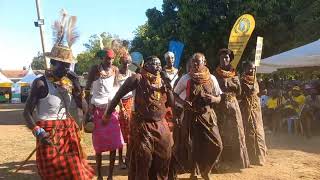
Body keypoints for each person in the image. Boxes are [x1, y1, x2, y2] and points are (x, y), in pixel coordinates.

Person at [23, 36, 94, 178]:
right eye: (63, 65)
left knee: (76, 174)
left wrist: (76, 85)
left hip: (69, 134)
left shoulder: (69, 83)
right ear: (53, 62)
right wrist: (39, 132)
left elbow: (84, 107)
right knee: (52, 175)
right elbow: (26, 113)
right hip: (48, 134)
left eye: (69, 65)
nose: (66, 69)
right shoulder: (40, 83)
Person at [105, 56, 174, 180]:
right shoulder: (136, 78)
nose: (158, 67)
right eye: (154, 64)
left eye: (159, 65)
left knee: (164, 157)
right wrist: (107, 114)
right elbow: (118, 96)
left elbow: (171, 104)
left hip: (160, 124)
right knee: (143, 159)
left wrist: (169, 88)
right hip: (142, 126)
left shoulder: (163, 81)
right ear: (146, 65)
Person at [172, 53, 223, 180]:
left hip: (208, 116)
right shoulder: (186, 78)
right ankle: (193, 172)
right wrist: (184, 103)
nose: (194, 64)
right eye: (193, 61)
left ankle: (207, 170)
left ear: (204, 63)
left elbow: (219, 97)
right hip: (191, 116)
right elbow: (174, 94)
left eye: (197, 62)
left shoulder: (212, 78)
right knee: (194, 145)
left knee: (218, 145)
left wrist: (213, 99)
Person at [85, 48, 124, 180]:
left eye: (112, 59)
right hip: (97, 111)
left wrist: (120, 106)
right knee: (99, 146)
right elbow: (87, 89)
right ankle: (100, 176)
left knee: (114, 144)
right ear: (102, 58)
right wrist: (87, 109)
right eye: (107, 58)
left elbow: (117, 90)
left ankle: (110, 176)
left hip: (112, 111)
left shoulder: (116, 70)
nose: (110, 61)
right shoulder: (94, 70)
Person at [214, 48, 250, 169]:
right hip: (220, 106)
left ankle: (237, 160)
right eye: (222, 58)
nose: (224, 59)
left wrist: (230, 84)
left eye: (227, 58)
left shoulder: (235, 73)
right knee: (221, 132)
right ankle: (222, 160)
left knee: (236, 132)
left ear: (230, 59)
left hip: (233, 105)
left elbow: (239, 91)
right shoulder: (215, 74)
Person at [240, 62, 267, 166]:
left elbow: (258, 93)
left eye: (253, 69)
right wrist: (247, 93)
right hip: (247, 110)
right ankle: (251, 158)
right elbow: (239, 94)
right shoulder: (241, 81)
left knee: (259, 131)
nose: (252, 71)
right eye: (249, 68)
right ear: (245, 69)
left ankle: (261, 157)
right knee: (250, 132)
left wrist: (259, 92)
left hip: (257, 110)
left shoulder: (256, 80)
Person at [116, 53, 135, 169]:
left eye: (129, 62)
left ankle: (128, 158)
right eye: (125, 62)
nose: (127, 65)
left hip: (131, 103)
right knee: (120, 133)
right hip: (119, 103)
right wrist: (122, 107)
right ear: (120, 63)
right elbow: (116, 92)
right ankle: (120, 160)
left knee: (130, 133)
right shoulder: (116, 75)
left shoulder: (132, 74)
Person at [163, 51, 179, 131]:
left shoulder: (177, 71)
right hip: (167, 98)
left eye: (172, 58)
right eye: (168, 58)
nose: (170, 60)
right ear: (165, 60)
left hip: (176, 97)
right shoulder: (162, 72)